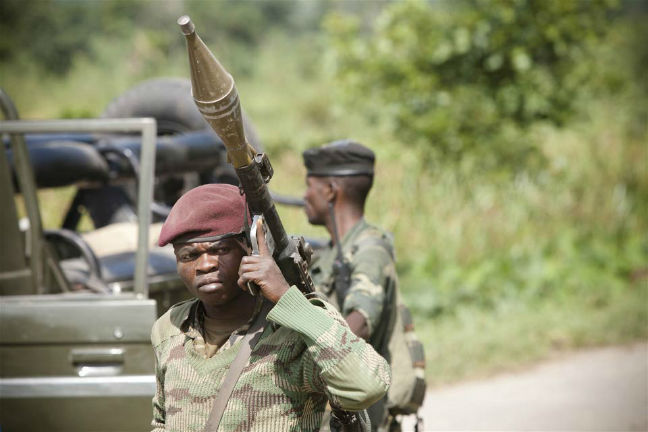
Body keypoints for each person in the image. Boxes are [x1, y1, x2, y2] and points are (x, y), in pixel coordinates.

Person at [150, 183, 390, 432]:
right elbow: (161, 421)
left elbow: (368, 386)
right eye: (188, 256)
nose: (205, 265)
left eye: (220, 249)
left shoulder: (293, 330)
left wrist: (287, 297)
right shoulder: (171, 328)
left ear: (252, 248)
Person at [303, 140, 400, 431]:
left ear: (330, 191)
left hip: (363, 417)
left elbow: (360, 323)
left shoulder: (369, 249)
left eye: (309, 186)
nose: (304, 196)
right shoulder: (336, 250)